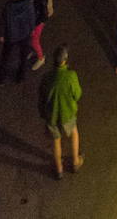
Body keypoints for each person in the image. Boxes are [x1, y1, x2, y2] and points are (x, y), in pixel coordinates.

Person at [38, 45, 83, 180]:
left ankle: (59, 170)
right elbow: (78, 94)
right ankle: (75, 162)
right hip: (67, 113)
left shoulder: (46, 78)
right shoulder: (70, 76)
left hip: (51, 115)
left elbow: (41, 97)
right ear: (65, 59)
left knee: (56, 140)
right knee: (74, 133)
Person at [0, 0, 36, 83]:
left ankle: (0, 79)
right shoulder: (29, 3)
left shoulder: (9, 6)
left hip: (11, 35)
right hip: (25, 34)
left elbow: (5, 21)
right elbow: (32, 19)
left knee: (5, 58)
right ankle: (20, 77)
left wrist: (3, 35)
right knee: (23, 57)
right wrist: (31, 29)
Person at [29, 0, 54, 70]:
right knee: (32, 38)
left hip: (38, 23)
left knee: (34, 40)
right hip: (37, 22)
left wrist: (33, 27)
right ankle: (34, 51)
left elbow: (42, 17)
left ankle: (40, 58)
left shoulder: (39, 1)